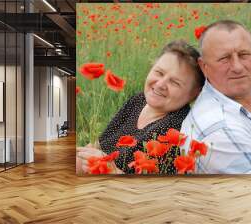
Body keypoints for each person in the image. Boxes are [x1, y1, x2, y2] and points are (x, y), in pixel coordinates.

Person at [180, 20, 251, 174]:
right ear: (203, 66)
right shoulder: (216, 129)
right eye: (224, 58)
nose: (237, 67)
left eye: (243, 55)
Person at [77, 40, 205, 174]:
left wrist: (112, 171)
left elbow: (152, 191)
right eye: (159, 73)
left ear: (195, 94)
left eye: (175, 82)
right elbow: (101, 143)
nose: (161, 84)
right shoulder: (139, 100)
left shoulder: (177, 132)